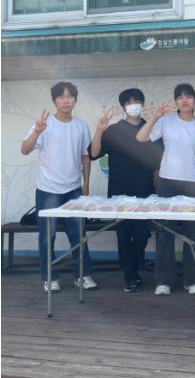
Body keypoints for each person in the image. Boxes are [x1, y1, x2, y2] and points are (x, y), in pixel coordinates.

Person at [136, 83, 195, 296]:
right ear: (176, 101)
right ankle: (164, 281)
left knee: (193, 233)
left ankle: (192, 280)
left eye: (188, 96)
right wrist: (155, 117)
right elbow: (141, 138)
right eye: (180, 97)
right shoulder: (166, 121)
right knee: (165, 232)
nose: (184, 100)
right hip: (167, 182)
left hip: (193, 184)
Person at [21, 81, 97, 293]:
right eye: (61, 96)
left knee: (78, 234)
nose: (66, 100)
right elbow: (24, 150)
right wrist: (36, 132)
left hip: (74, 189)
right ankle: (50, 277)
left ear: (75, 99)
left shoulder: (81, 126)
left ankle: (82, 275)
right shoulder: (44, 125)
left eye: (70, 96)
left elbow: (85, 155)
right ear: (54, 100)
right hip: (48, 190)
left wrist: (86, 182)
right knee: (47, 236)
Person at [89, 88, 163, 292]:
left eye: (137, 101)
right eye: (129, 102)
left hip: (145, 192)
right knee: (123, 235)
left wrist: (157, 188)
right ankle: (129, 275)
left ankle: (134, 269)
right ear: (123, 106)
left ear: (143, 104)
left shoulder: (151, 129)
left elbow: (158, 162)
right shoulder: (114, 130)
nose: (133, 105)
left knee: (142, 234)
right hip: (119, 193)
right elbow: (93, 153)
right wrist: (99, 130)